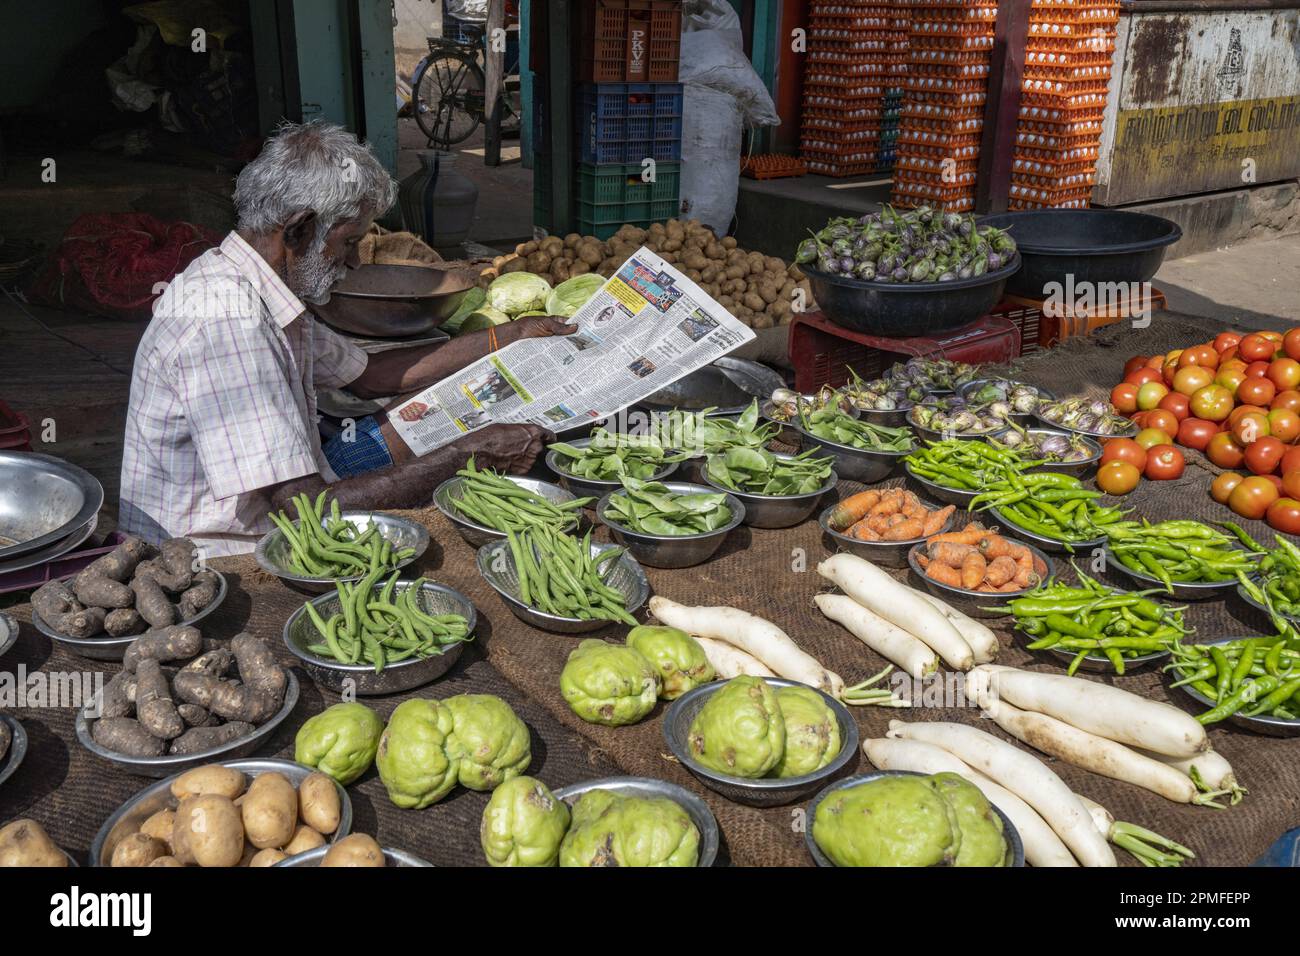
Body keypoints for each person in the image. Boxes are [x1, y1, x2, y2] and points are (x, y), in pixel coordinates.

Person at [120, 121, 572, 556]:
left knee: (418, 414)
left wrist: (510, 335)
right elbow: (303, 511)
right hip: (229, 548)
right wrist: (466, 453)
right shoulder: (228, 322)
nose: (354, 261)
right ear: (299, 229)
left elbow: (370, 376)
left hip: (297, 488)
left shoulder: (258, 282)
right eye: (349, 242)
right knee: (442, 494)